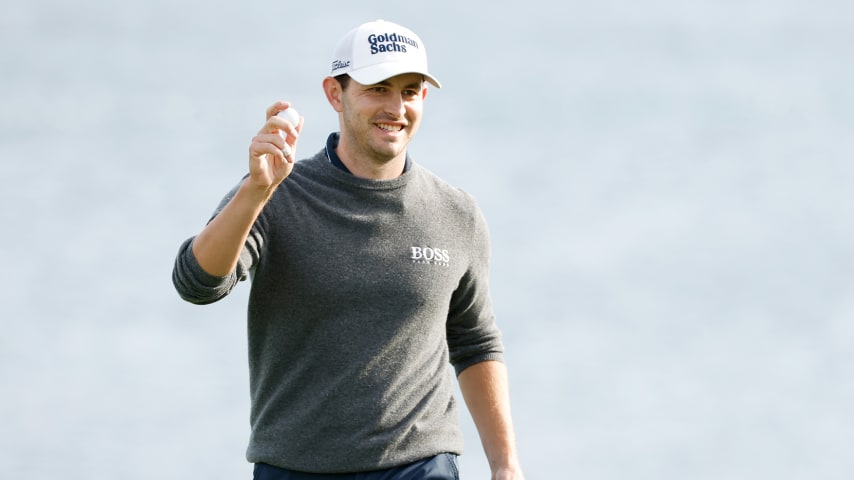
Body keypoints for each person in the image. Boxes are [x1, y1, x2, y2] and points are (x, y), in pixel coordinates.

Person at [172, 19, 524, 480]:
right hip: (296, 467)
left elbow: (474, 341)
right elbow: (197, 284)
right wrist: (256, 192)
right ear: (335, 94)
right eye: (377, 89)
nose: (396, 107)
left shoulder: (456, 212)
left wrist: (505, 466)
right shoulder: (278, 192)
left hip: (420, 465)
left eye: (410, 91)